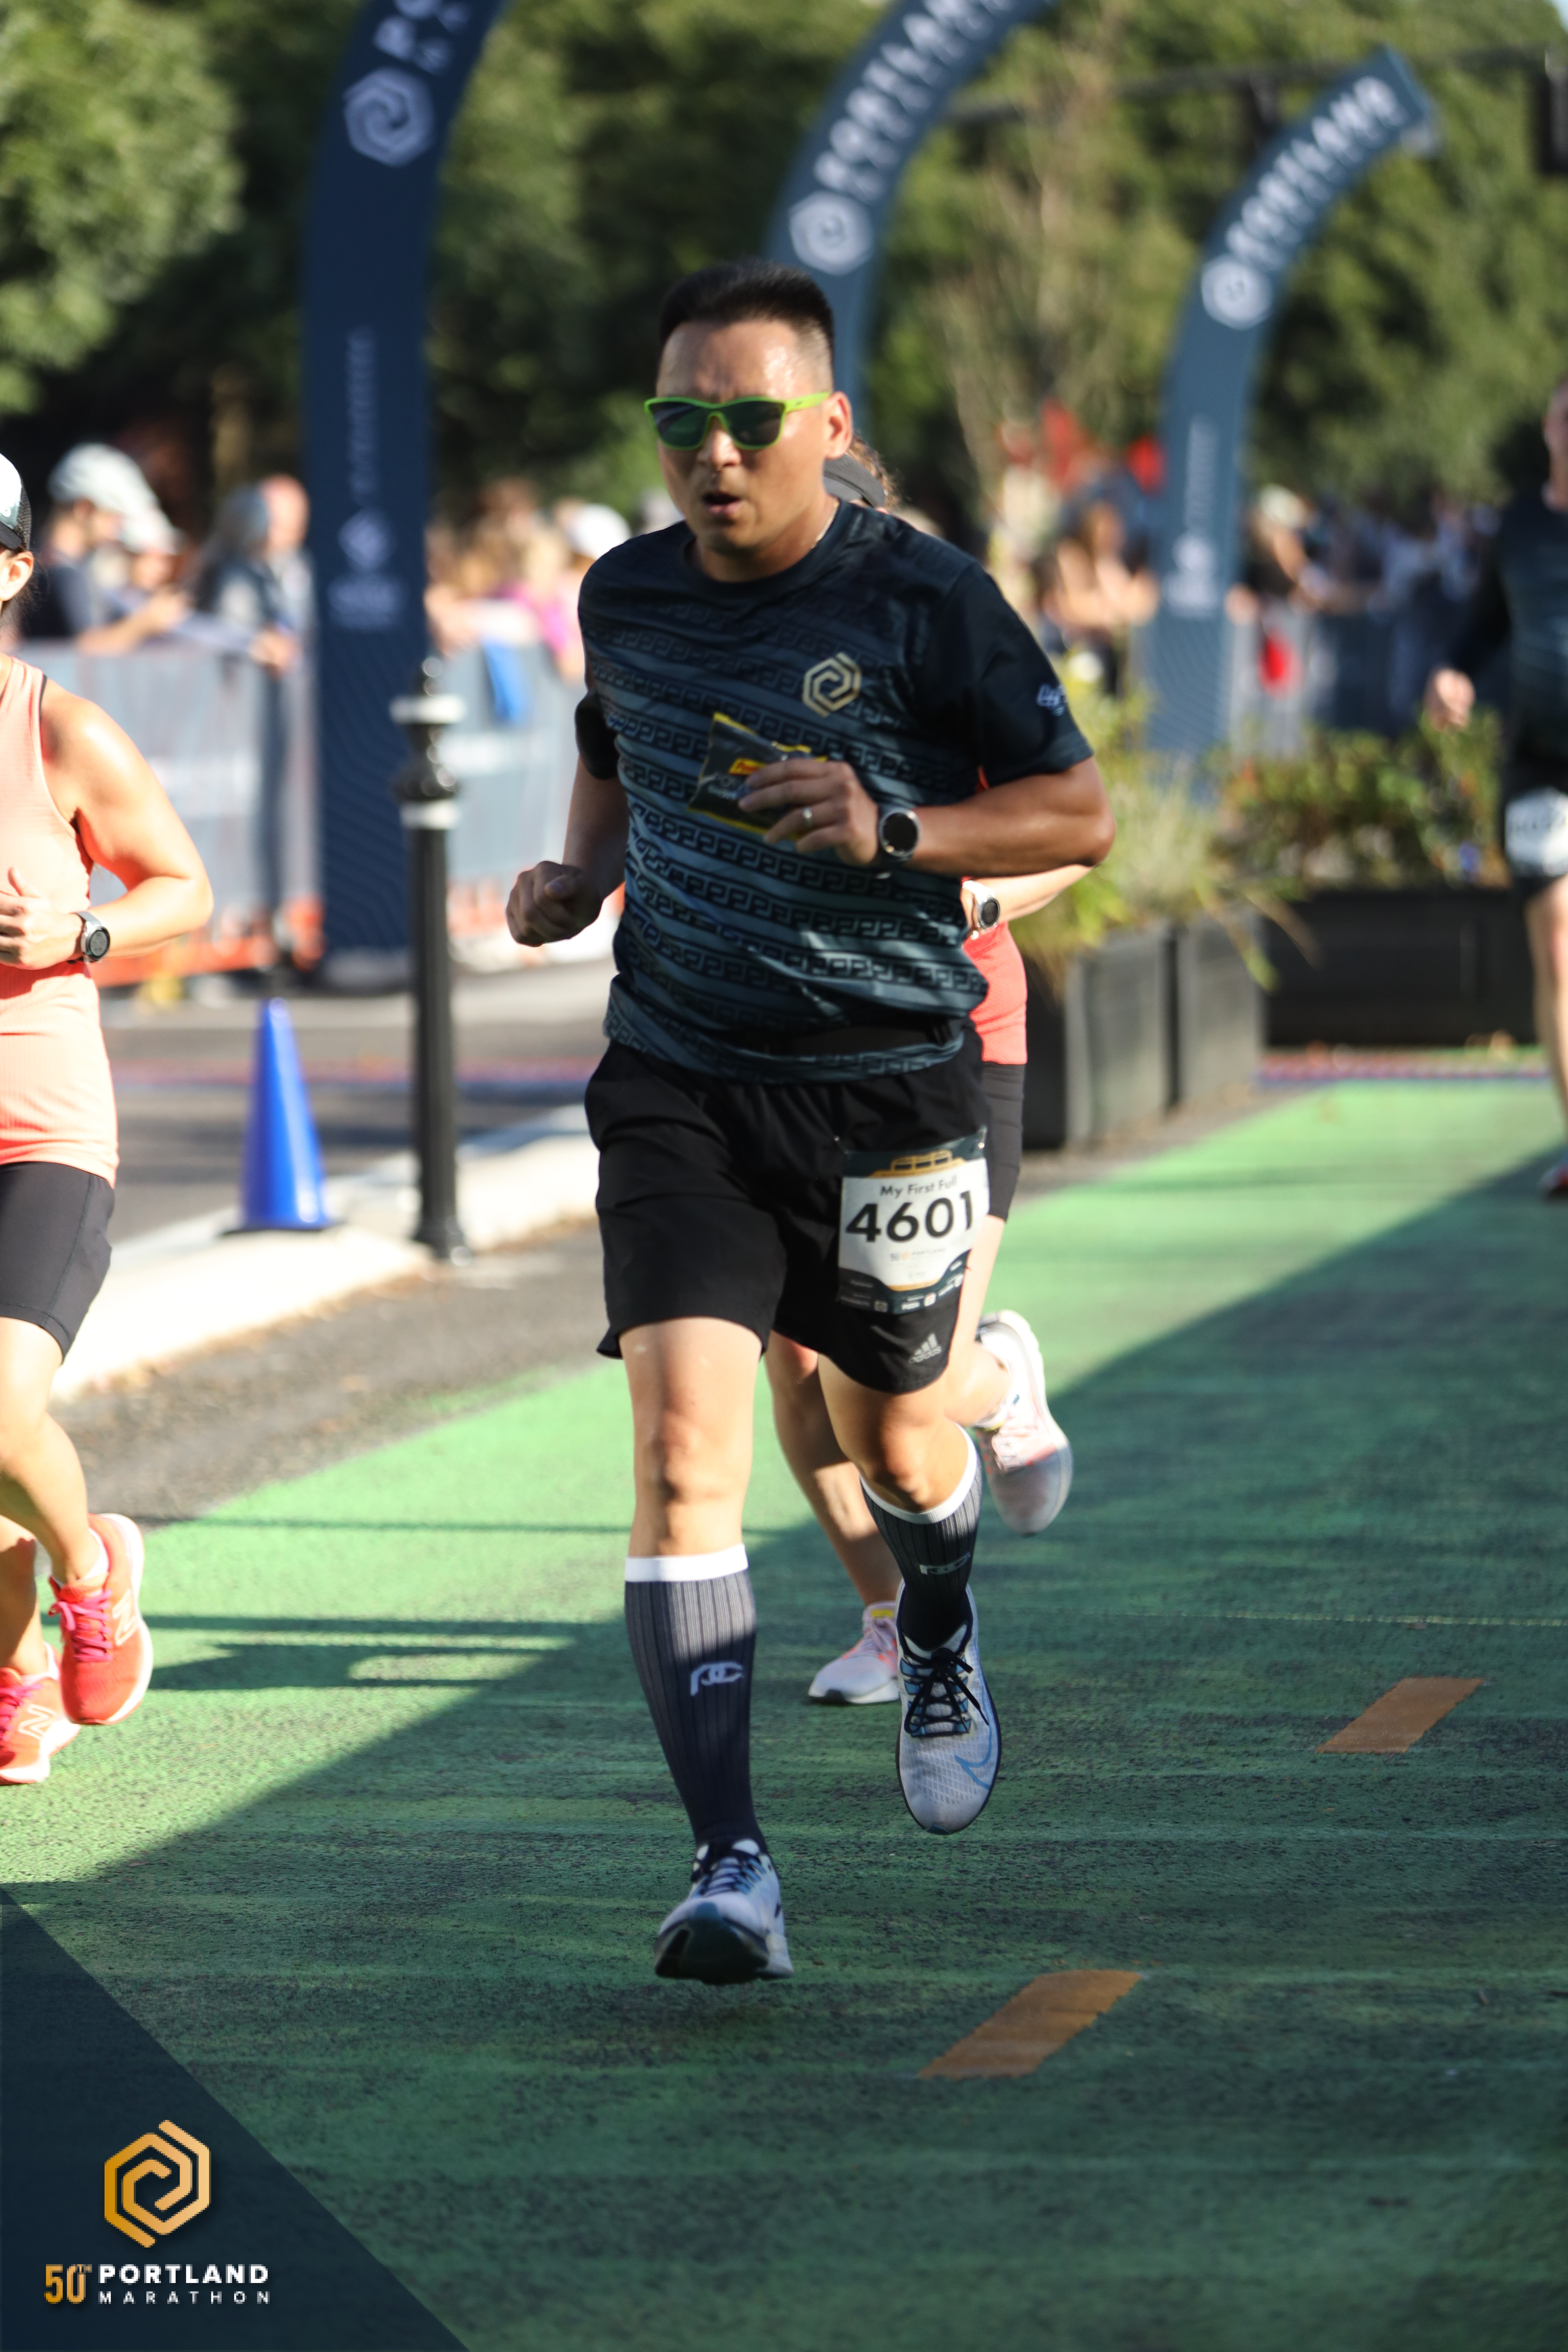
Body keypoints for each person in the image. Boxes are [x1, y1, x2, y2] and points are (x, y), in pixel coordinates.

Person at [506, 259, 1113, 1985]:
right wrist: (577, 881)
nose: (712, 450)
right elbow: (614, 754)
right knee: (684, 1453)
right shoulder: (622, 595)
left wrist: (899, 837)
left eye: (749, 417)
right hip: (680, 1083)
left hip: (890, 1084)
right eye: (680, 419)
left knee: (897, 1434)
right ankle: (731, 1868)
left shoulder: (929, 600)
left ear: (825, 423)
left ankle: (937, 1620)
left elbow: (1078, 813)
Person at [779, 443, 1086, 1706]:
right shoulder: (732, 660)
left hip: (956, 1041)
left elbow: (1075, 829)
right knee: (797, 1363)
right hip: (787, 1052)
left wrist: (972, 895)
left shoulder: (945, 646)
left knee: (898, 1374)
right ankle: (889, 1616)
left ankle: (998, 1377)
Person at [0, 452, 213, 1786]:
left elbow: (183, 886)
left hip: (43, 1134)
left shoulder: (59, 730)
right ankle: (11, 1675)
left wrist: (78, 927)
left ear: (15, 569)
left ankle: (92, 1570)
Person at [1427, 371, 1568, 1196]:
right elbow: (1480, 627)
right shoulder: (1516, 527)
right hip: (1540, 764)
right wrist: (1452, 673)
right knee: (1555, 948)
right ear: (1548, 428)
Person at [19, 444, 163, 644]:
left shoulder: (42, 561)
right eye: (114, 516)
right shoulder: (64, 573)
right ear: (85, 509)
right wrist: (145, 623)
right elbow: (85, 651)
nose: (118, 528)